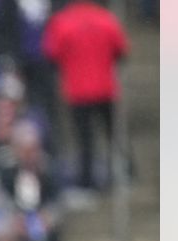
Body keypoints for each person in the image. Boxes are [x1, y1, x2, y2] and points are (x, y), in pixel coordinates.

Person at [43, 0, 129, 190]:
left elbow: (51, 53)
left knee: (84, 138)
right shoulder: (106, 18)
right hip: (105, 87)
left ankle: (87, 180)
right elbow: (122, 50)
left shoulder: (61, 22)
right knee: (114, 134)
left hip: (78, 89)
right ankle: (128, 171)